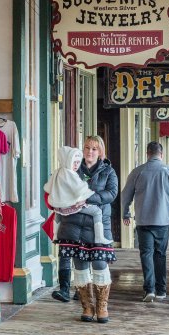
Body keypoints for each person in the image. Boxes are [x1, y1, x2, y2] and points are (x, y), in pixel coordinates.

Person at [53, 135, 118, 323]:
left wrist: (87, 198)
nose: (90, 152)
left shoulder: (108, 172)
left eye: (94, 149)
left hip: (98, 227)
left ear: (100, 152)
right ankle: (87, 306)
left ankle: (102, 306)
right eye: (87, 148)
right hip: (73, 225)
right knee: (80, 267)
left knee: (99, 264)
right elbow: (60, 188)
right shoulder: (72, 168)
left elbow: (111, 194)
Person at [122, 141, 169, 302]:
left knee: (146, 254)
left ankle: (149, 290)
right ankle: (161, 290)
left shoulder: (137, 172)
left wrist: (126, 213)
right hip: (162, 223)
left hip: (143, 221)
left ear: (147, 154)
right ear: (161, 154)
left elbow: (126, 195)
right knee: (160, 255)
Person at [44, 146, 112, 244]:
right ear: (68, 161)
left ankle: (55, 235)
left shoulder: (58, 172)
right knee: (97, 212)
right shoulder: (70, 174)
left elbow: (48, 187)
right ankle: (99, 237)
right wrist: (89, 192)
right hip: (72, 205)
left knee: (58, 215)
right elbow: (80, 189)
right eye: (74, 162)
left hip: (59, 206)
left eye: (77, 162)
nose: (76, 165)